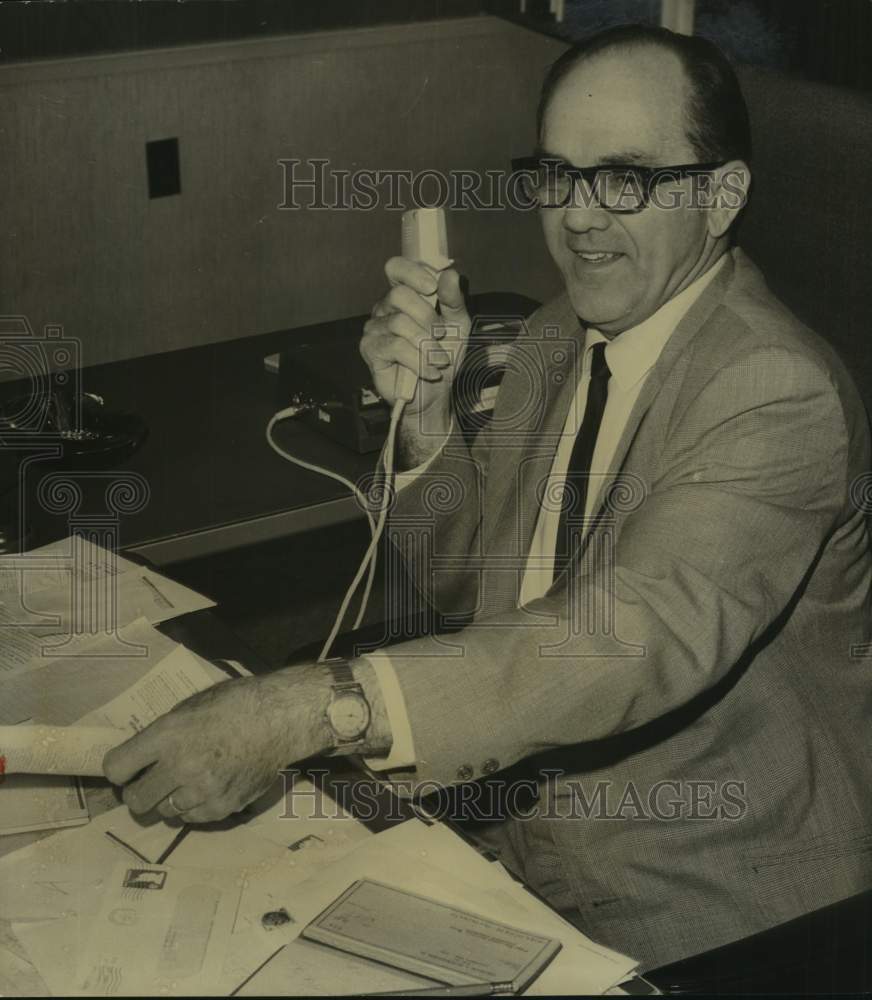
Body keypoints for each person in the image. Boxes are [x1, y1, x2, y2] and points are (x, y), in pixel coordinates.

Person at [105, 25, 872, 970]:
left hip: (713, 896)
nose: (578, 218)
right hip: (516, 839)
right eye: (557, 173)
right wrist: (427, 423)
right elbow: (480, 593)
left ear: (722, 196)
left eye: (624, 179)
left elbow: (619, 638)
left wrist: (313, 709)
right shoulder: (557, 334)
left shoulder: (772, 390)